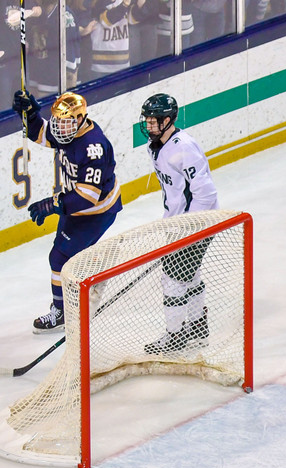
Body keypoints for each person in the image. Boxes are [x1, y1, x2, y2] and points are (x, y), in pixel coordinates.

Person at [12, 89, 122, 333]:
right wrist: (30, 114)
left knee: (59, 258)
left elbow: (88, 197)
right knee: (64, 255)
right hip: (75, 206)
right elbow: (41, 133)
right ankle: (88, 271)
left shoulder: (94, 146)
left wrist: (52, 204)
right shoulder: (68, 128)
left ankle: (61, 312)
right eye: (58, 122)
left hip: (96, 211)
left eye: (66, 122)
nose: (60, 128)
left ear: (81, 119)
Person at [137, 92, 219, 353]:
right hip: (178, 223)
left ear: (168, 120)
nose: (149, 126)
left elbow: (206, 193)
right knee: (189, 275)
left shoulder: (183, 146)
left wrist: (189, 229)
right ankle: (197, 327)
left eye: (154, 121)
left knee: (171, 280)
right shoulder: (156, 146)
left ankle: (175, 337)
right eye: (147, 121)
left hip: (197, 223)